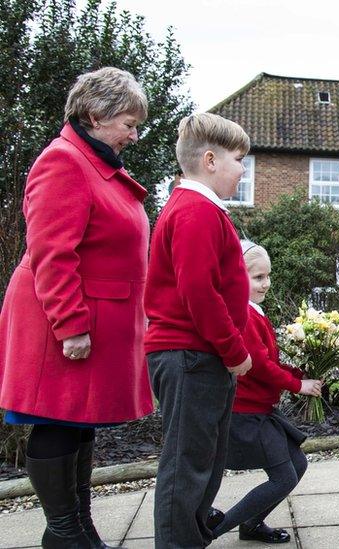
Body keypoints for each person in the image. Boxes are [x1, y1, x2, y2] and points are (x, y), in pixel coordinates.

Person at [0, 67, 153, 549]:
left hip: (89, 317)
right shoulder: (64, 162)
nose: (133, 134)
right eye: (128, 123)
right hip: (60, 319)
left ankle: (80, 530)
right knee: (55, 421)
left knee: (78, 424)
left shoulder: (93, 161)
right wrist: (70, 326)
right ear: (95, 115)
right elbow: (51, 252)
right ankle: (63, 533)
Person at [144, 112, 254, 548]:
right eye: (238, 159)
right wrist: (233, 350)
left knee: (202, 461)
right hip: (192, 356)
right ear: (210, 160)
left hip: (198, 356)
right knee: (186, 465)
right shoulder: (196, 211)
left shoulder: (200, 210)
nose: (243, 169)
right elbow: (198, 292)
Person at [210, 241, 323, 544]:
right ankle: (209, 532)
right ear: (236, 277)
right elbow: (259, 366)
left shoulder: (255, 311)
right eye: (258, 277)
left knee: (297, 464)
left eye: (268, 276)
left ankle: (251, 524)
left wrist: (300, 374)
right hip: (245, 414)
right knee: (284, 476)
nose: (267, 283)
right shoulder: (242, 315)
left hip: (260, 410)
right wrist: (298, 386)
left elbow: (269, 360)